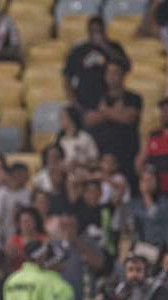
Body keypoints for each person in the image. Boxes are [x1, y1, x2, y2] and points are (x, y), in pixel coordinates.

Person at [85, 61, 143, 193]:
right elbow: (89, 119)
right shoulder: (98, 97)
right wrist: (116, 113)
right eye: (109, 73)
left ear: (123, 75)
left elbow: (129, 118)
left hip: (127, 153)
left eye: (116, 73)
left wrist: (104, 112)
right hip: (104, 154)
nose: (112, 76)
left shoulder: (134, 98)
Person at [64, 16, 130, 112]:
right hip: (84, 100)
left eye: (99, 30)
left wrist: (105, 46)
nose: (96, 34)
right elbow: (67, 77)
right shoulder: (78, 51)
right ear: (88, 31)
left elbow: (126, 65)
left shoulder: (114, 47)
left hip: (110, 100)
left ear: (104, 30)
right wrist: (74, 102)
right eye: (93, 30)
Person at [135, 97, 168, 198]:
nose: (165, 114)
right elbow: (139, 163)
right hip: (158, 193)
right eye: (163, 111)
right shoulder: (153, 136)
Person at [128, 168, 168, 248]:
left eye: (150, 179)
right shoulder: (134, 204)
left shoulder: (164, 202)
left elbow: (154, 216)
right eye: (144, 180)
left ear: (157, 182)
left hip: (162, 247)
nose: (147, 183)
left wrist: (147, 195)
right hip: (140, 248)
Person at [5, 206, 46, 271]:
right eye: (24, 221)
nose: (27, 224)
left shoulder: (44, 239)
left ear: (35, 222)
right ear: (18, 224)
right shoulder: (12, 241)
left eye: (30, 221)